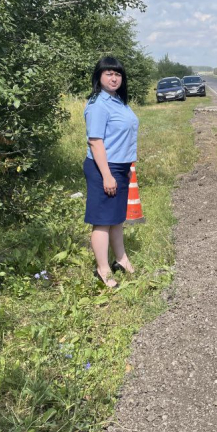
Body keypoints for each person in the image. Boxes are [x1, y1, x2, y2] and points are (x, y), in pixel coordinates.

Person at [84, 56, 140, 287]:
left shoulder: (117, 101)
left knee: (116, 219)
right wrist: (107, 175)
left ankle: (121, 259)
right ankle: (103, 269)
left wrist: (127, 167)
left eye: (117, 74)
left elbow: (123, 137)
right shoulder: (98, 104)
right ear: (99, 77)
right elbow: (95, 142)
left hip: (120, 167)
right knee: (102, 222)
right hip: (103, 168)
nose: (114, 77)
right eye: (108, 73)